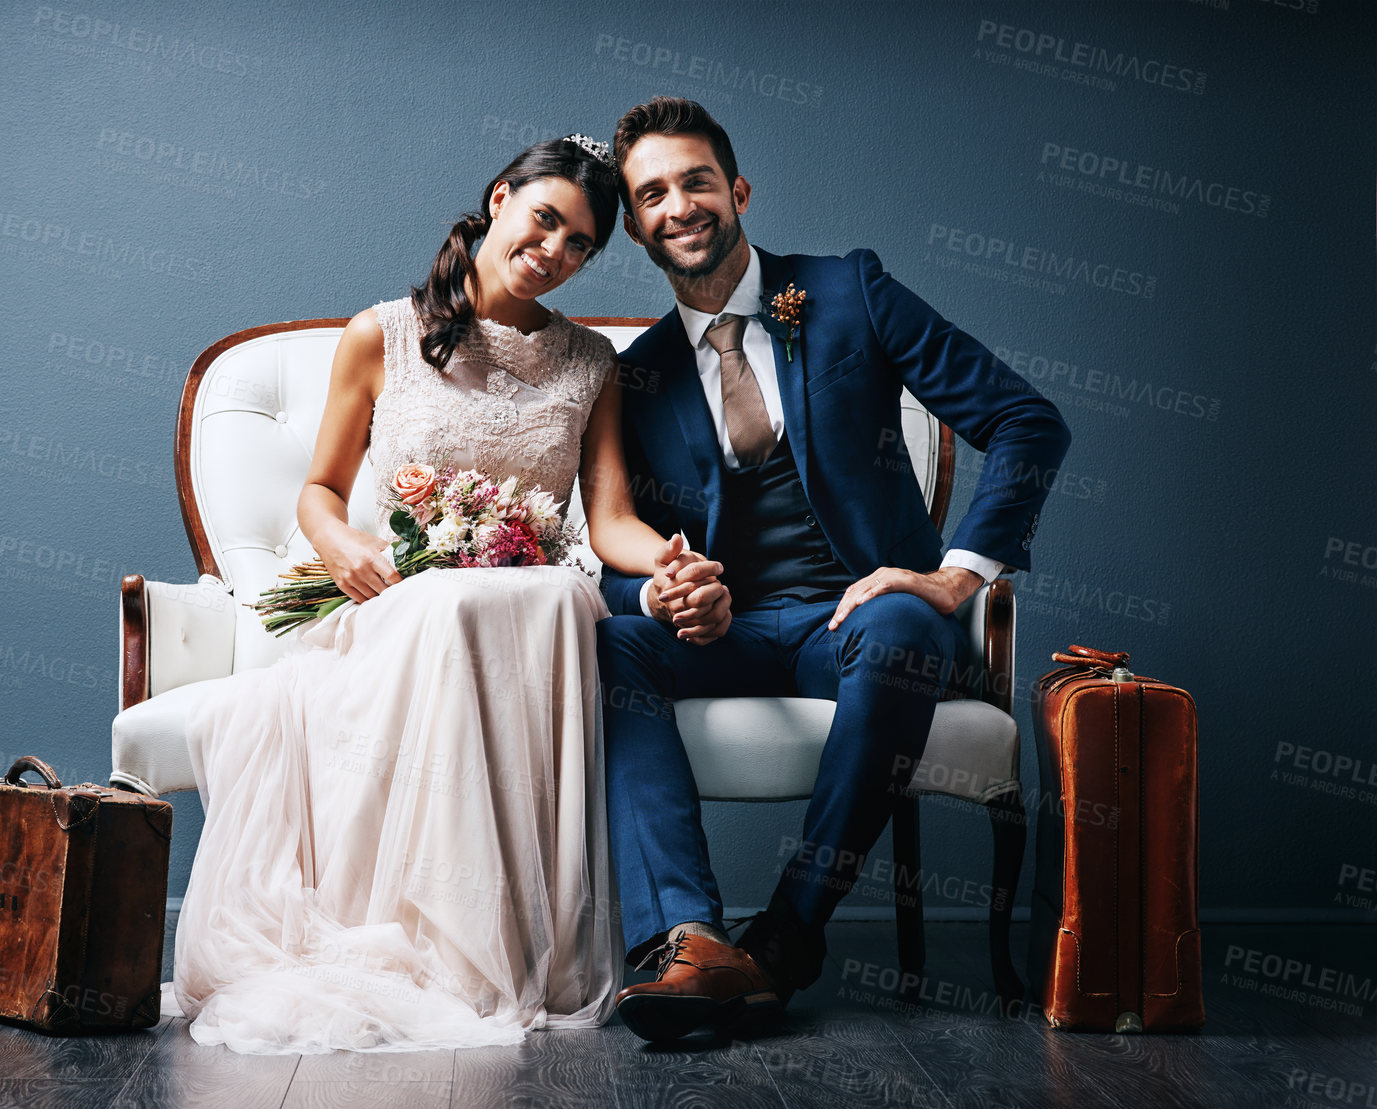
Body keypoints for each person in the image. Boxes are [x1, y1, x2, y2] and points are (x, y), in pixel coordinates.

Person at [165, 134, 720, 1053]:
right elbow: (319, 489)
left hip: (527, 608)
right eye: (544, 220)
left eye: (579, 244)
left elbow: (607, 517)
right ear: (499, 199)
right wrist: (342, 543)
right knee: (450, 603)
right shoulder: (379, 332)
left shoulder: (591, 364)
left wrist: (668, 561)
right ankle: (426, 938)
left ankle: (504, 944)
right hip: (405, 607)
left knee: (539, 598)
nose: (554, 252)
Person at [596, 97, 1073, 1042]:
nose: (678, 205)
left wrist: (952, 576)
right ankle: (685, 939)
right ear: (636, 226)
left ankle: (783, 936)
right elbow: (622, 545)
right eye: (651, 194)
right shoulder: (636, 371)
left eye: (695, 180)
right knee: (615, 644)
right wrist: (657, 591)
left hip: (855, 619)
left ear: (736, 190)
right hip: (726, 635)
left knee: (898, 629)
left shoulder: (848, 291)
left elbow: (1027, 421)